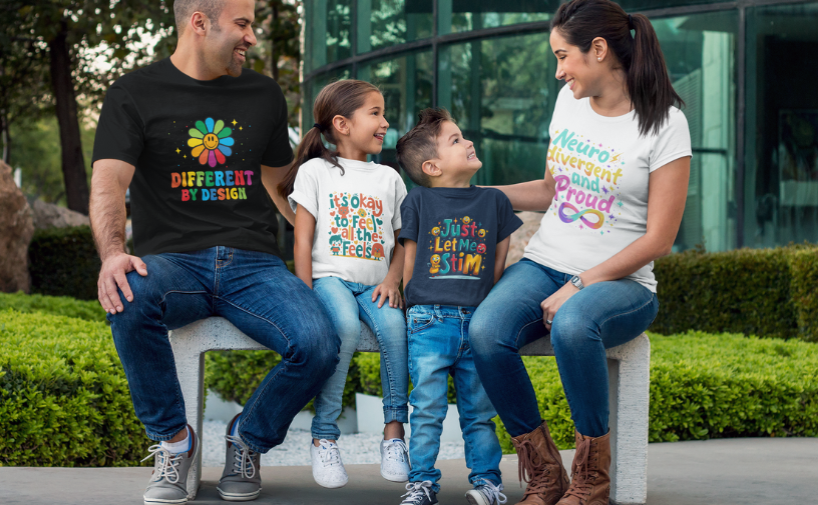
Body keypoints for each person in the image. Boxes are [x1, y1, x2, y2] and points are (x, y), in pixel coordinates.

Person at [89, 0, 339, 503]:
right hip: (172, 264)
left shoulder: (264, 93)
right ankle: (175, 444)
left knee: (317, 343)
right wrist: (113, 253)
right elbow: (109, 183)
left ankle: (247, 438)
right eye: (243, 25)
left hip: (254, 265)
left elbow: (276, 183)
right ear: (200, 23)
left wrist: (328, 246)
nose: (251, 38)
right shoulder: (132, 93)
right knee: (128, 293)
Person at [467, 1, 693, 504]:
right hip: (545, 261)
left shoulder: (666, 124)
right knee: (485, 331)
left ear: (599, 50)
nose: (558, 71)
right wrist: (484, 195)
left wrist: (580, 283)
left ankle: (591, 478)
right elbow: (553, 190)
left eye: (563, 56)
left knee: (573, 325)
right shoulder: (570, 103)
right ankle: (546, 473)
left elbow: (659, 238)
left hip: (621, 284)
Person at [282, 79, 411, 488]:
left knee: (394, 329)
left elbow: (404, 240)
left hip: (376, 285)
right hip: (330, 280)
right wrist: (305, 295)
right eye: (375, 113)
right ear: (341, 123)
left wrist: (394, 280)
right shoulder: (314, 171)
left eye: (383, 113)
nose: (384, 122)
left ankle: (394, 435)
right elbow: (302, 238)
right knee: (346, 328)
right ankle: (324, 438)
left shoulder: (389, 177)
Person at [395, 108, 523, 505]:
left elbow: (499, 264)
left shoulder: (495, 202)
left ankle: (489, 484)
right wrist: (412, 309)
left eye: (462, 136)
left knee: (479, 414)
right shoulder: (418, 201)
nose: (468, 141)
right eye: (455, 140)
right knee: (427, 410)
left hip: (480, 322)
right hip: (429, 320)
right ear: (431, 166)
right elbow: (410, 263)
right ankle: (421, 484)